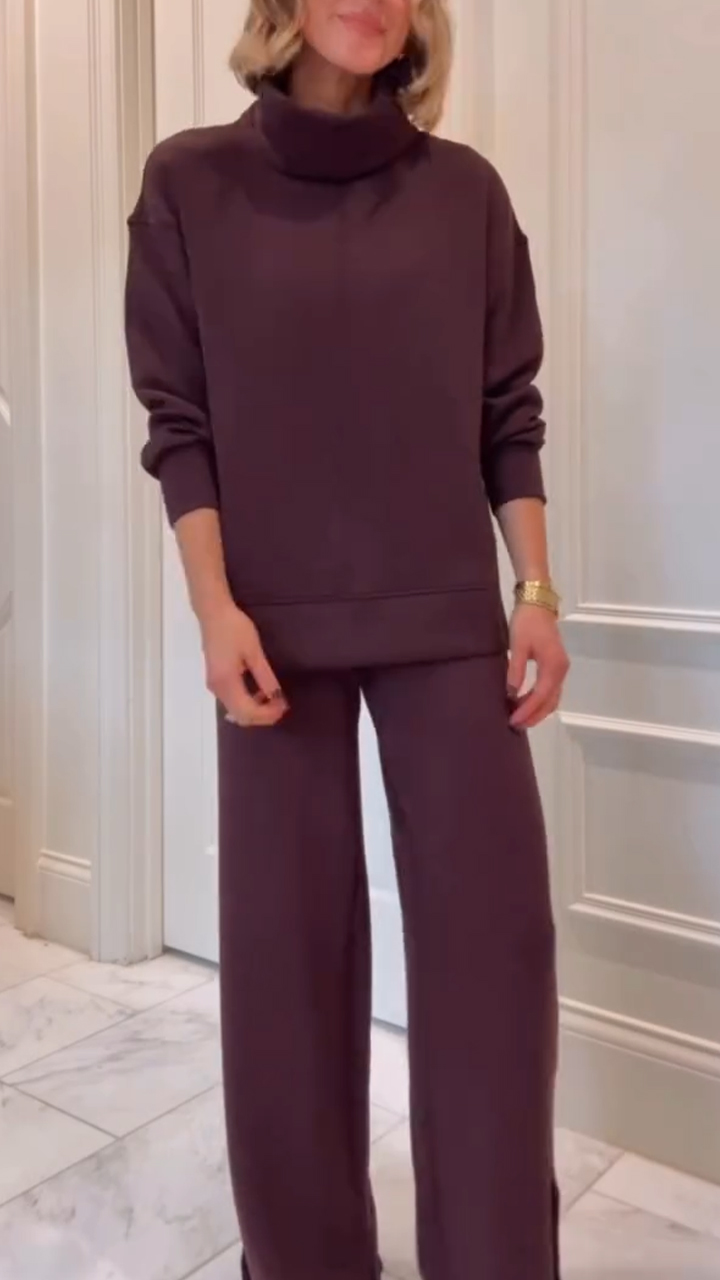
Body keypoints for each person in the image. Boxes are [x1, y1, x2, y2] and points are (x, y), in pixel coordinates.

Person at [125, 2, 570, 1277]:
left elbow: (507, 412)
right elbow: (179, 422)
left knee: (496, 963)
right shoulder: (189, 184)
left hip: (449, 620)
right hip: (268, 627)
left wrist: (536, 591)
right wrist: (214, 608)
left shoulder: (467, 195)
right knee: (287, 980)